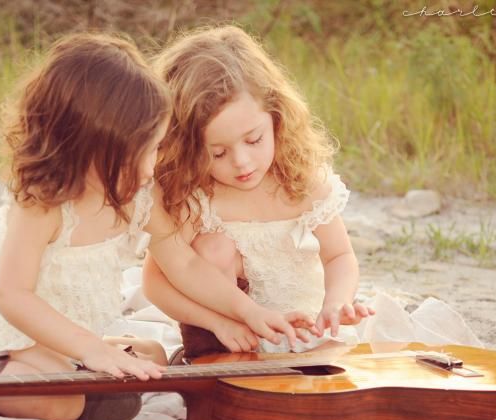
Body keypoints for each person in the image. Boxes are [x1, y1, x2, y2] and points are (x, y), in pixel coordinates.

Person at [0, 32, 312, 420]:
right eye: (141, 152)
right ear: (88, 149)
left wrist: (245, 311)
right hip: (7, 339)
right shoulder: (43, 204)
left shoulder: (138, 197)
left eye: (156, 149)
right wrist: (93, 352)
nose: (152, 165)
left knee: (149, 357)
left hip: (69, 343)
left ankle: (78, 388)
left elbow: (185, 263)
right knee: (57, 397)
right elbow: (13, 298)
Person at [142, 26, 374, 359]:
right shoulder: (195, 197)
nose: (242, 162)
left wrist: (337, 302)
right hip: (229, 340)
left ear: (277, 118)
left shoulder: (302, 181)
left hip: (304, 329)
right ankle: (209, 362)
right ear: (187, 146)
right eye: (218, 153)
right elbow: (155, 282)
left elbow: (339, 256)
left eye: (253, 140)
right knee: (214, 248)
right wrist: (218, 323)